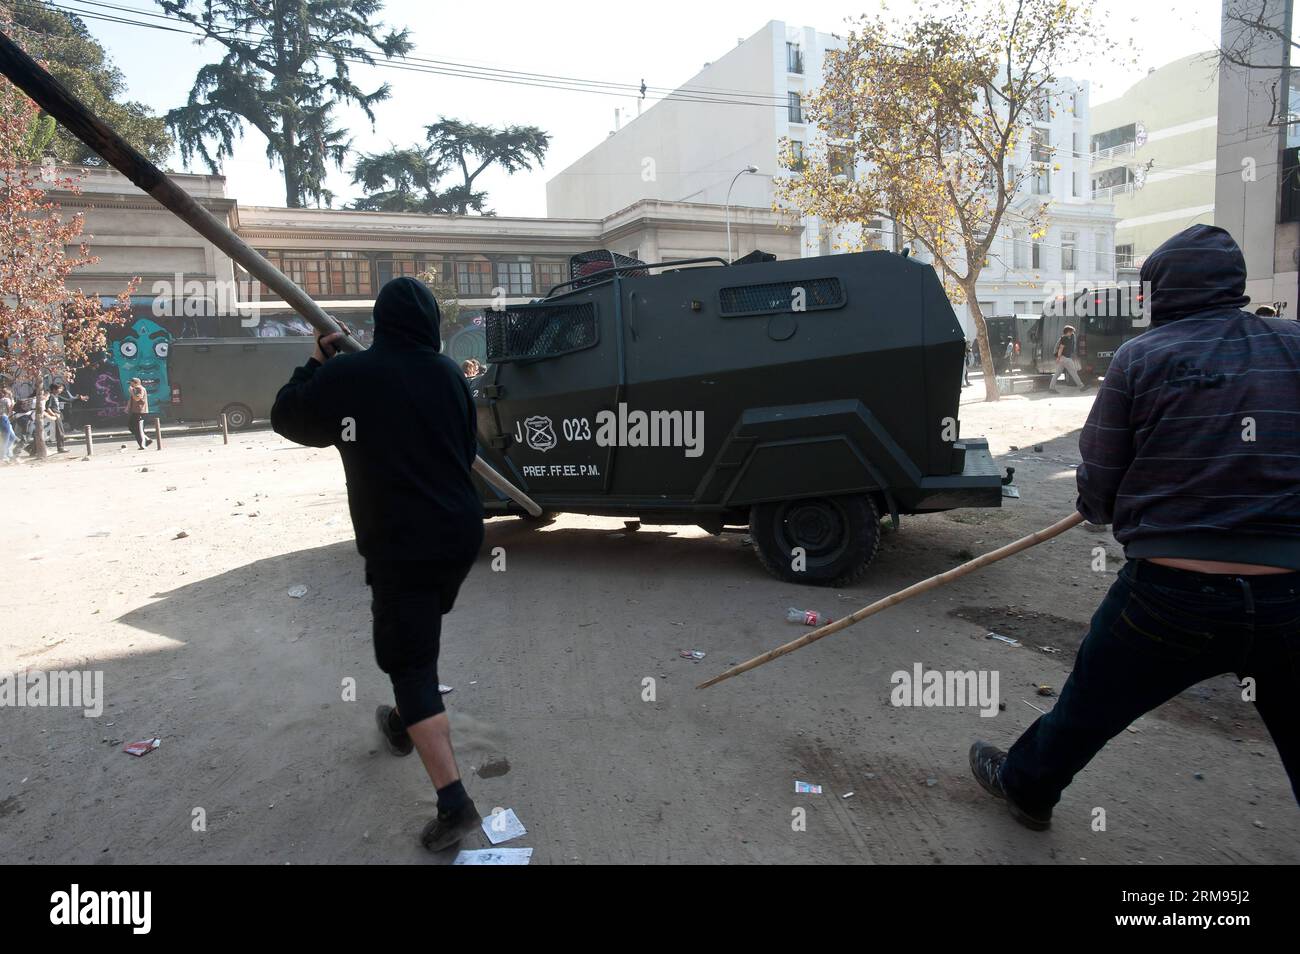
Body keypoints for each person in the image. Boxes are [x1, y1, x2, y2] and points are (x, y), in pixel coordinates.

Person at [970, 224, 1300, 829]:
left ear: (1159, 292)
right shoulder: (1294, 345)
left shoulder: (1142, 357)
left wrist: (1100, 508)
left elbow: (1099, 474)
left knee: (1088, 706)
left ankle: (1026, 787)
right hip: (1291, 593)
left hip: (1173, 594)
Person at [271, 277, 485, 852]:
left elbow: (288, 418)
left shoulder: (350, 376)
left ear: (382, 322)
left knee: (407, 659)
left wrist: (315, 362)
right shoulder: (448, 374)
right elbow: (466, 451)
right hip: (460, 535)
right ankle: (403, 719)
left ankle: (455, 804)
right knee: (415, 642)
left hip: (402, 544)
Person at [45, 383, 85, 454]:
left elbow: (69, 400)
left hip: (57, 415)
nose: (61, 390)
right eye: (59, 388)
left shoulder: (56, 396)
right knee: (59, 433)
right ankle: (60, 448)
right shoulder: (51, 396)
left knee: (57, 433)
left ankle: (60, 448)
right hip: (54, 417)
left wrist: (79, 398)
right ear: (54, 389)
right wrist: (54, 414)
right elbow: (47, 408)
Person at [1048, 324, 1088, 393]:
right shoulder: (1065, 338)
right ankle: (1081, 387)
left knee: (1057, 373)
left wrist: (1059, 358)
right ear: (1068, 332)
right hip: (1065, 358)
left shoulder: (1066, 337)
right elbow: (1061, 348)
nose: (1072, 333)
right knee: (1073, 372)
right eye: (1071, 332)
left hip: (1063, 359)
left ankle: (1051, 388)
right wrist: (1058, 357)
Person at [126, 377, 152, 449]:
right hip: (134, 412)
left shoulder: (139, 388)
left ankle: (143, 445)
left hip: (140, 412)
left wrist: (131, 391)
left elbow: (137, 398)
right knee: (131, 427)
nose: (130, 385)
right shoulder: (135, 389)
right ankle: (146, 439)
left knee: (138, 429)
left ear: (135, 383)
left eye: (131, 383)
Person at [1, 387, 17, 464]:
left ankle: (6, 453)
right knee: (6, 438)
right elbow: (11, 409)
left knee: (12, 437)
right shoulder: (6, 400)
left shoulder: (2, 400)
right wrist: (12, 399)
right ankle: (3, 456)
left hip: (4, 418)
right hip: (4, 418)